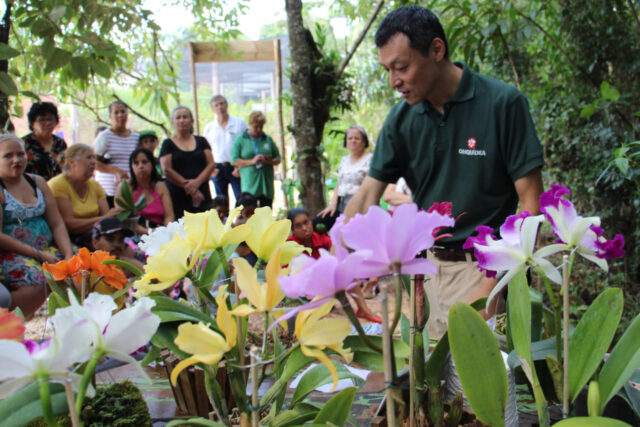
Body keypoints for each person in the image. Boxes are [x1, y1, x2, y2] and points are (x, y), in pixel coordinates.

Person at [344, 6, 544, 338]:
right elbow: (368, 194)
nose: (395, 82)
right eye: (387, 70)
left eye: (402, 68)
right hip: (428, 272)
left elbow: (530, 203)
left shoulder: (502, 104)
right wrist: (338, 258)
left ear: (437, 50)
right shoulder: (401, 120)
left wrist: (491, 288)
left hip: (489, 269)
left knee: (485, 386)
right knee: (434, 385)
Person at [0, 133, 73, 318]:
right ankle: (12, 323)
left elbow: (56, 223)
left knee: (83, 267)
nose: (16, 160)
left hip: (47, 248)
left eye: (20, 154)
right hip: (14, 253)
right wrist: (39, 255)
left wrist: (68, 254)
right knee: (40, 278)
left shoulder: (37, 182)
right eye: (8, 156)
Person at [48, 144, 118, 248]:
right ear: (72, 162)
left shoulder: (95, 185)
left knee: (127, 249)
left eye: (94, 157)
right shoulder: (58, 185)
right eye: (89, 157)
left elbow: (106, 219)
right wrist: (103, 218)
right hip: (69, 240)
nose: (94, 162)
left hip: (95, 237)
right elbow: (68, 225)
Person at [159, 105, 215, 218]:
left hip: (202, 191)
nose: (182, 120)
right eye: (178, 117)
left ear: (192, 121)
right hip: (178, 193)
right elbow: (166, 170)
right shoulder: (167, 144)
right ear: (172, 122)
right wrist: (190, 188)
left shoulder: (202, 141)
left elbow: (211, 164)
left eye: (185, 117)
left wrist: (196, 183)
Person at [319, 126, 372, 218]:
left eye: (357, 138)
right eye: (350, 138)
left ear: (364, 142)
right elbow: (339, 183)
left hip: (361, 204)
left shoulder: (371, 159)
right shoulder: (344, 160)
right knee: (318, 221)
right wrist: (333, 205)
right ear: (346, 142)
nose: (353, 141)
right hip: (341, 203)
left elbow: (371, 185)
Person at [117, 148, 174, 233]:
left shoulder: (161, 186)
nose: (141, 166)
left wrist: (166, 232)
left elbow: (169, 216)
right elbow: (123, 216)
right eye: (136, 163)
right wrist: (148, 232)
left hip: (159, 232)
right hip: (133, 234)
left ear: (152, 164)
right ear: (131, 166)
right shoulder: (125, 187)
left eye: (144, 162)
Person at [94, 101, 139, 207]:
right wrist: (115, 171)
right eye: (116, 112)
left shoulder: (136, 137)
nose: (120, 115)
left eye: (123, 112)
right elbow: (94, 162)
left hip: (130, 191)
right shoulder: (104, 137)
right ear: (110, 116)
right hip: (107, 191)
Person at [231, 111, 280, 208]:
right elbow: (234, 160)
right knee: (249, 214)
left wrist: (267, 161)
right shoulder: (241, 139)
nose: (258, 130)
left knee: (265, 213)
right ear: (250, 125)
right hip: (250, 184)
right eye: (256, 127)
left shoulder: (267, 139)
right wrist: (252, 161)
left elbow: (278, 159)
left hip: (265, 184)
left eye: (261, 127)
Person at [203, 95, 247, 200]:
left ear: (226, 105)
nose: (220, 107)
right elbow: (206, 151)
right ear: (213, 109)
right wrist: (211, 169)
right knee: (221, 201)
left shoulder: (239, 123)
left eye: (222, 104)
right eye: (216, 105)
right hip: (218, 168)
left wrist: (240, 167)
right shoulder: (209, 128)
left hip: (236, 167)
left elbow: (245, 145)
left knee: (240, 199)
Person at [22, 101, 68, 180]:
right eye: (42, 120)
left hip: (58, 188)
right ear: (32, 124)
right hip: (34, 188)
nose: (47, 123)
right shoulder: (23, 144)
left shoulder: (60, 143)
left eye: (50, 119)